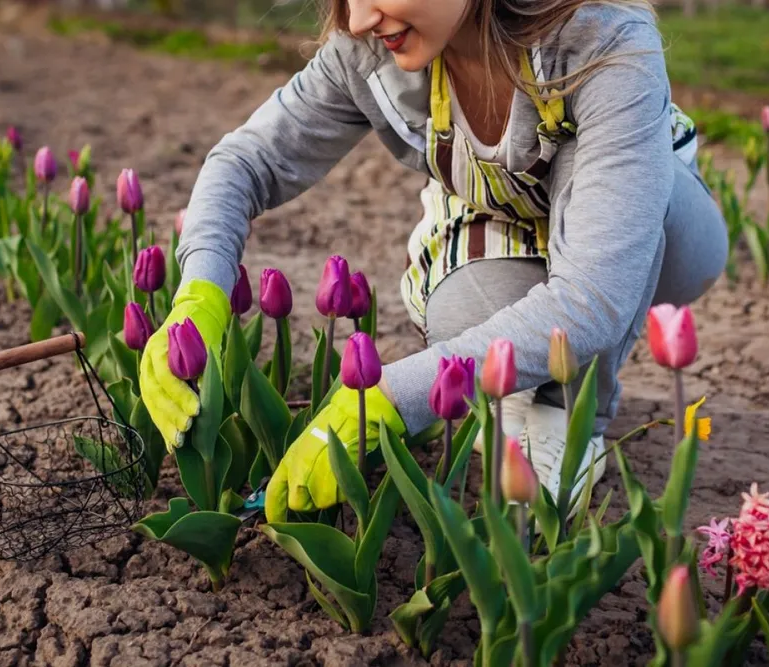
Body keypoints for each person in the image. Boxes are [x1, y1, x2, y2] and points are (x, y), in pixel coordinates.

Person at [138, 0, 728, 523]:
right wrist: (201, 292)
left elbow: (598, 293)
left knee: (610, 271)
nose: (357, 17)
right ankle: (518, 384)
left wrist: (394, 396)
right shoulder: (366, 50)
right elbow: (244, 163)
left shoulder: (602, 39)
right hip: (499, 219)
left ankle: (570, 415)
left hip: (649, 226)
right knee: (458, 325)